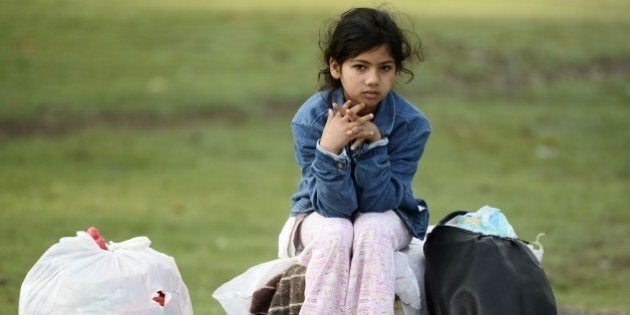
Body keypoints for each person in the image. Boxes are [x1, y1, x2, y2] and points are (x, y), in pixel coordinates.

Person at [281, 7, 431, 314]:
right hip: (317, 214)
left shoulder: (411, 125)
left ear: (396, 71)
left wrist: (375, 146)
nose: (373, 80)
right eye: (360, 67)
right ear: (336, 67)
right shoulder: (309, 121)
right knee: (337, 231)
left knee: (372, 227)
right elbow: (333, 207)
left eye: (385, 68)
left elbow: (380, 202)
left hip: (390, 213)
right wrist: (329, 150)